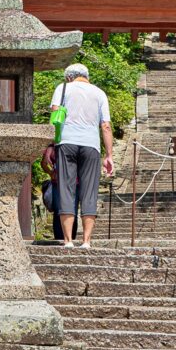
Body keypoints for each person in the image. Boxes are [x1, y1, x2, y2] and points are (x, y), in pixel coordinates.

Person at [50, 63, 113, 249]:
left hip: (66, 143)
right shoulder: (99, 93)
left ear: (69, 77)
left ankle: (68, 240)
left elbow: (54, 117)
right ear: (87, 76)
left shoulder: (63, 88)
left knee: (66, 190)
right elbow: (106, 125)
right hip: (91, 145)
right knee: (89, 191)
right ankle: (86, 241)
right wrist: (109, 155)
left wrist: (51, 145)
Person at [41, 144, 78, 242]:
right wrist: (51, 173)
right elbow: (43, 163)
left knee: (73, 211)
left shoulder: (77, 143)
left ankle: (71, 239)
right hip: (57, 183)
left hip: (75, 183)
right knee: (58, 210)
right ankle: (59, 239)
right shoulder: (52, 147)